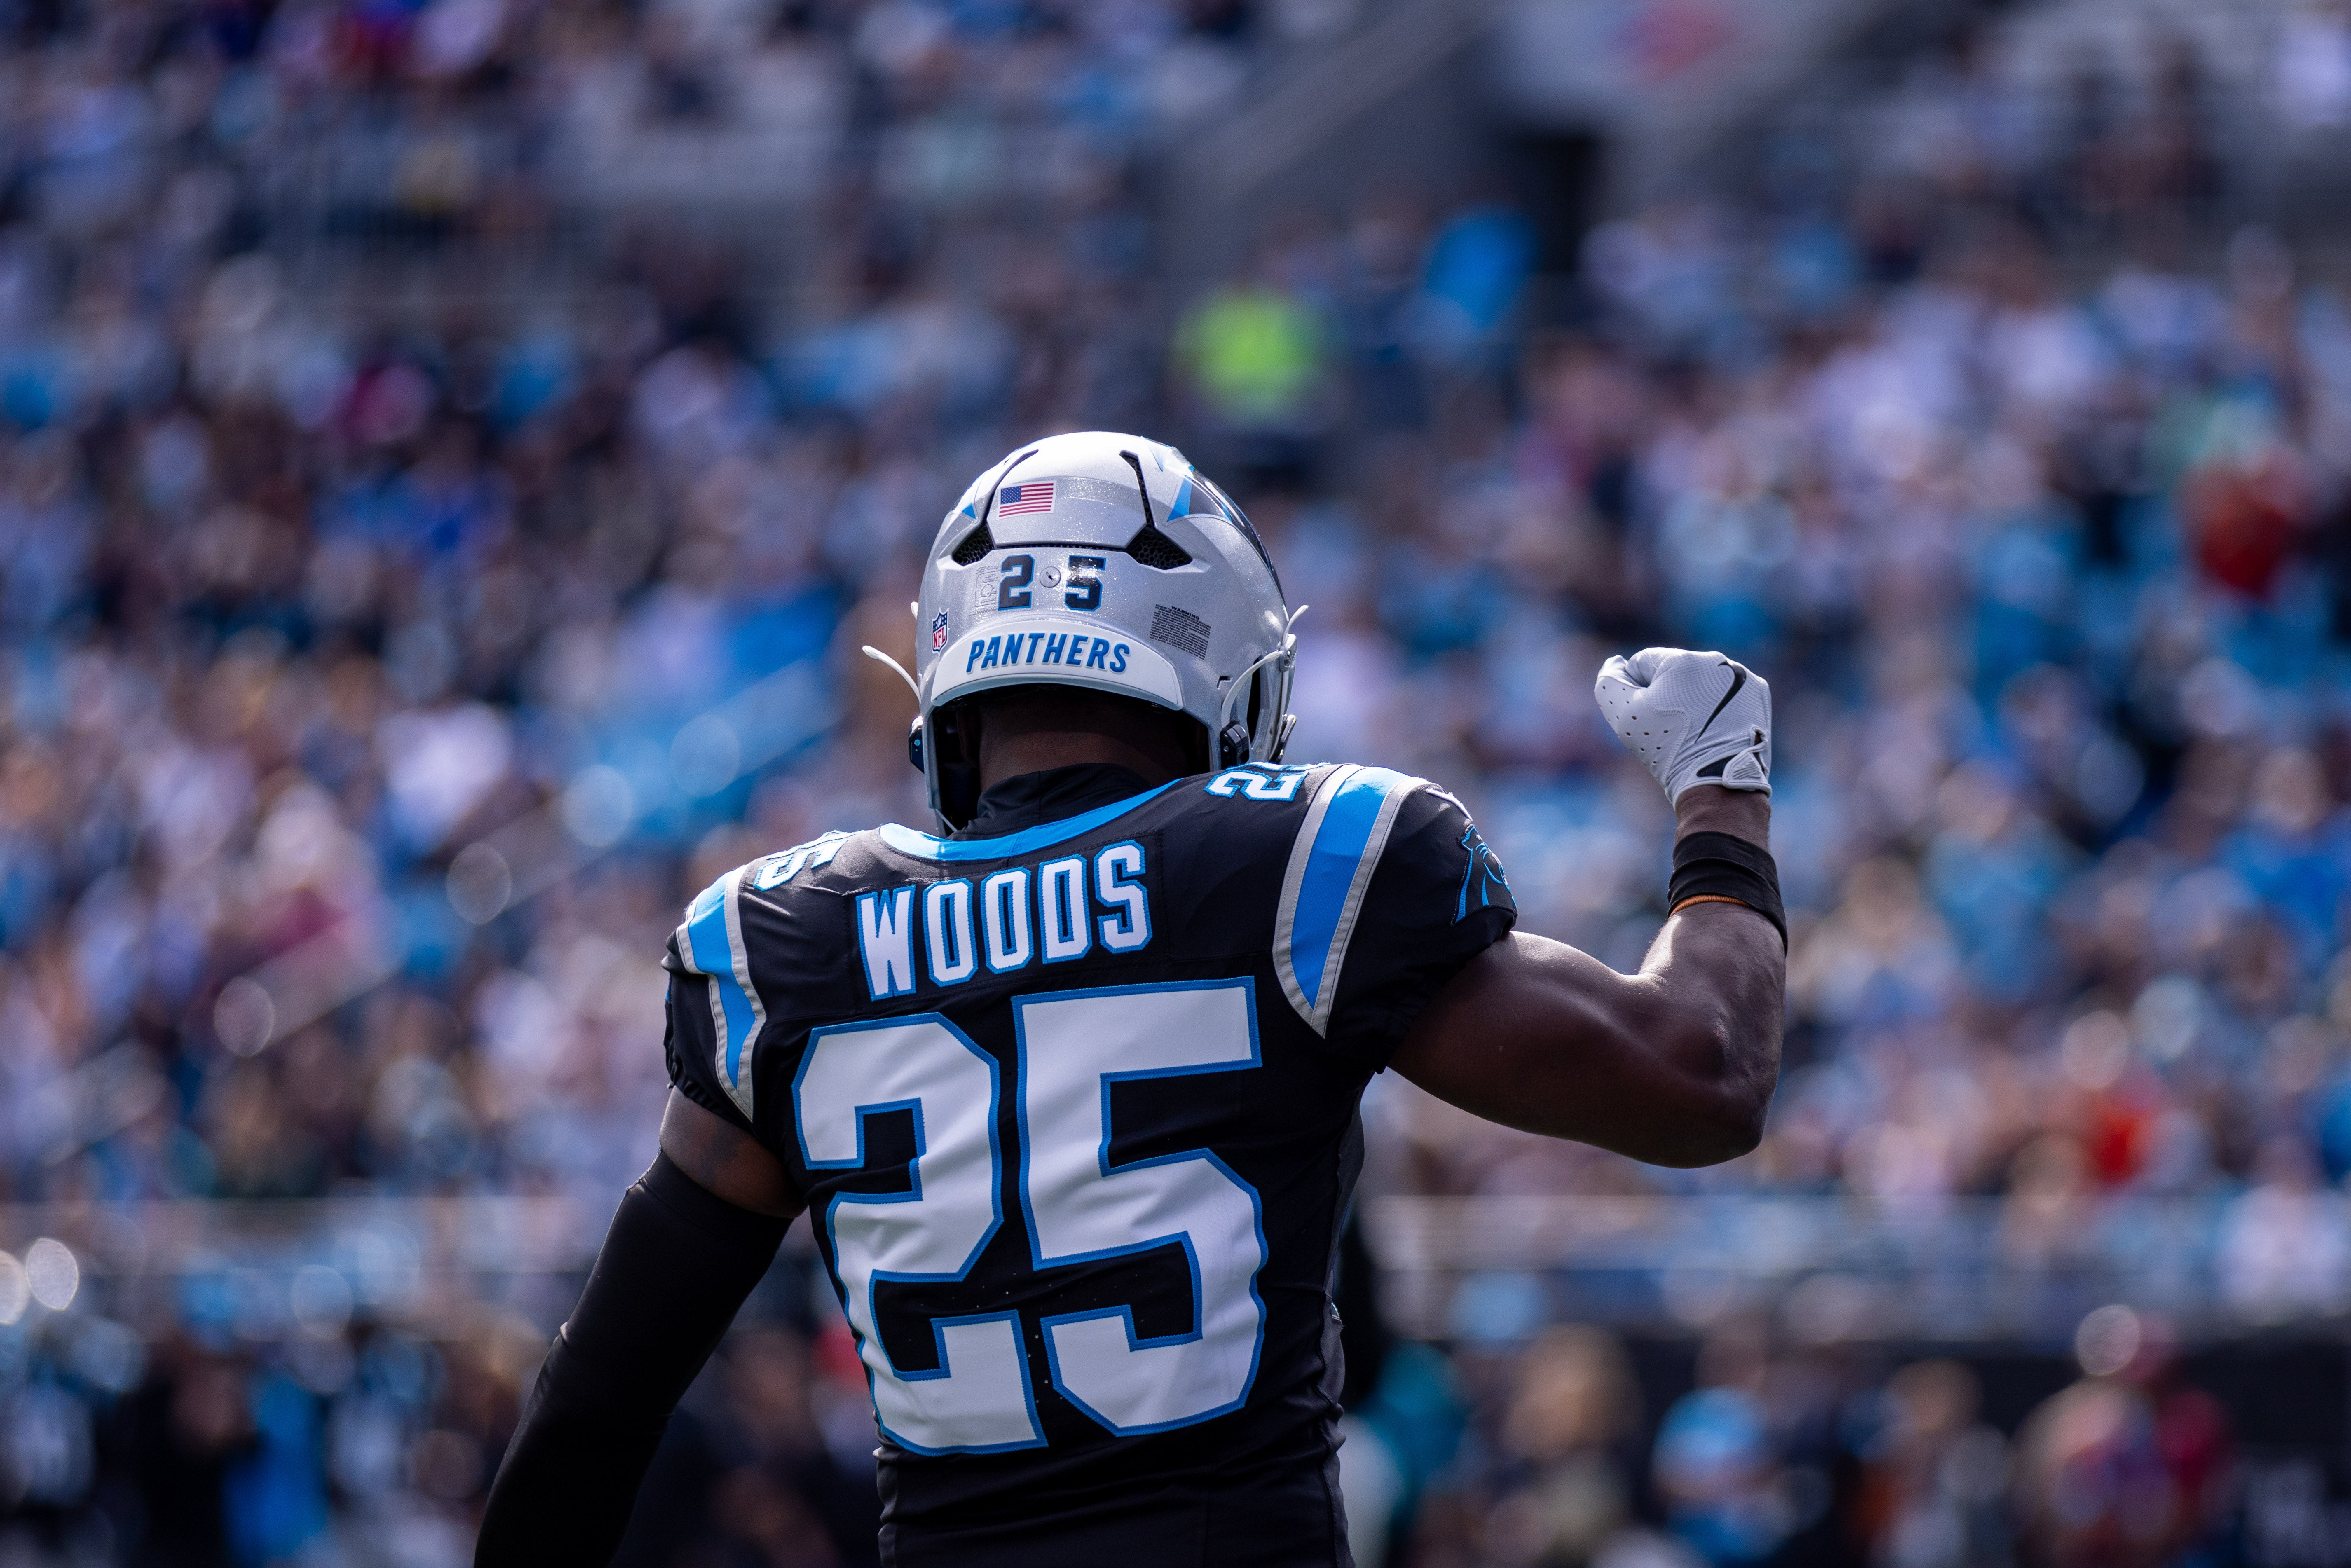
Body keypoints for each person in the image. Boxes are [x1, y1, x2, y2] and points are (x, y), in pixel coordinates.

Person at [474, 431, 1787, 1567]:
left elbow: (599, 1403)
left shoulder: (785, 941)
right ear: (1225, 668)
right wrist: (1718, 789)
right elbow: (1702, 1076)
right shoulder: (1296, 866)